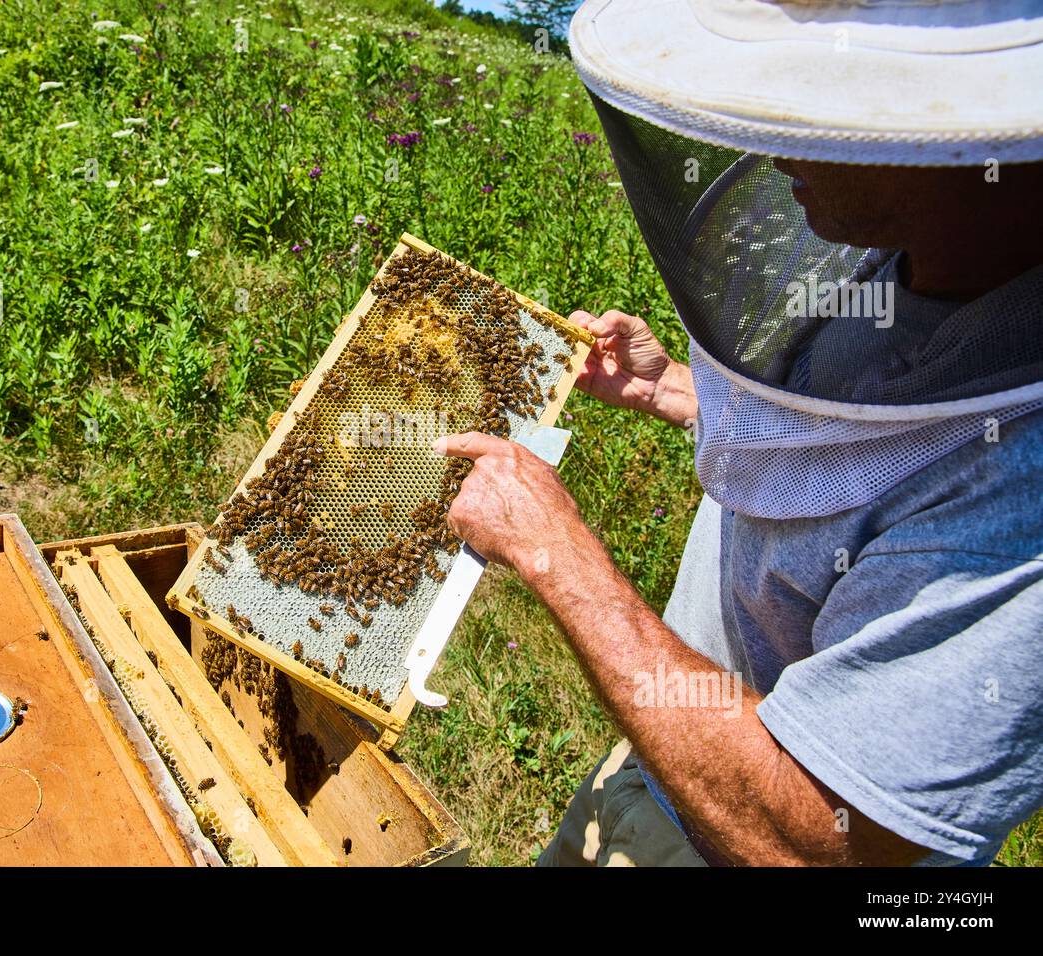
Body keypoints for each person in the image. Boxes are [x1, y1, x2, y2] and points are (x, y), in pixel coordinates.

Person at [433, 0, 1043, 866]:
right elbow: (862, 452)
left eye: (833, 102)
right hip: (670, 767)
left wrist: (554, 555)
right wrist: (676, 390)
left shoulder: (1025, 500)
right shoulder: (907, 268)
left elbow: (818, 840)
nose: (776, 140)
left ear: (981, 142)